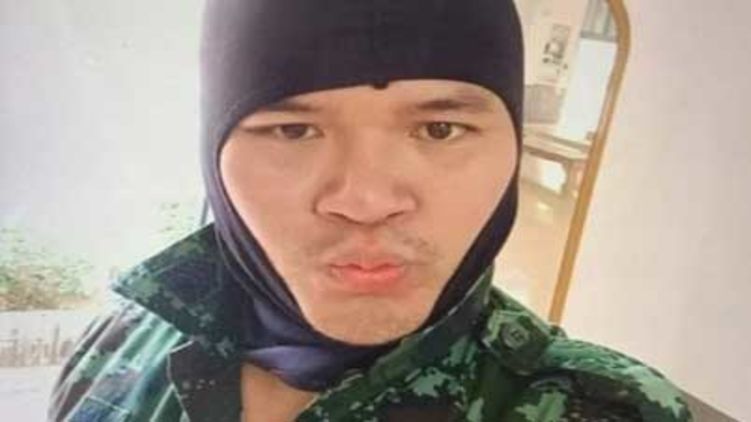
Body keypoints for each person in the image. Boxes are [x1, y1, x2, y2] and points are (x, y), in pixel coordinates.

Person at [49, 0, 693, 421]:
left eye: (439, 129)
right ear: (214, 155)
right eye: (293, 131)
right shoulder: (125, 337)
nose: (366, 202)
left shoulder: (606, 409)